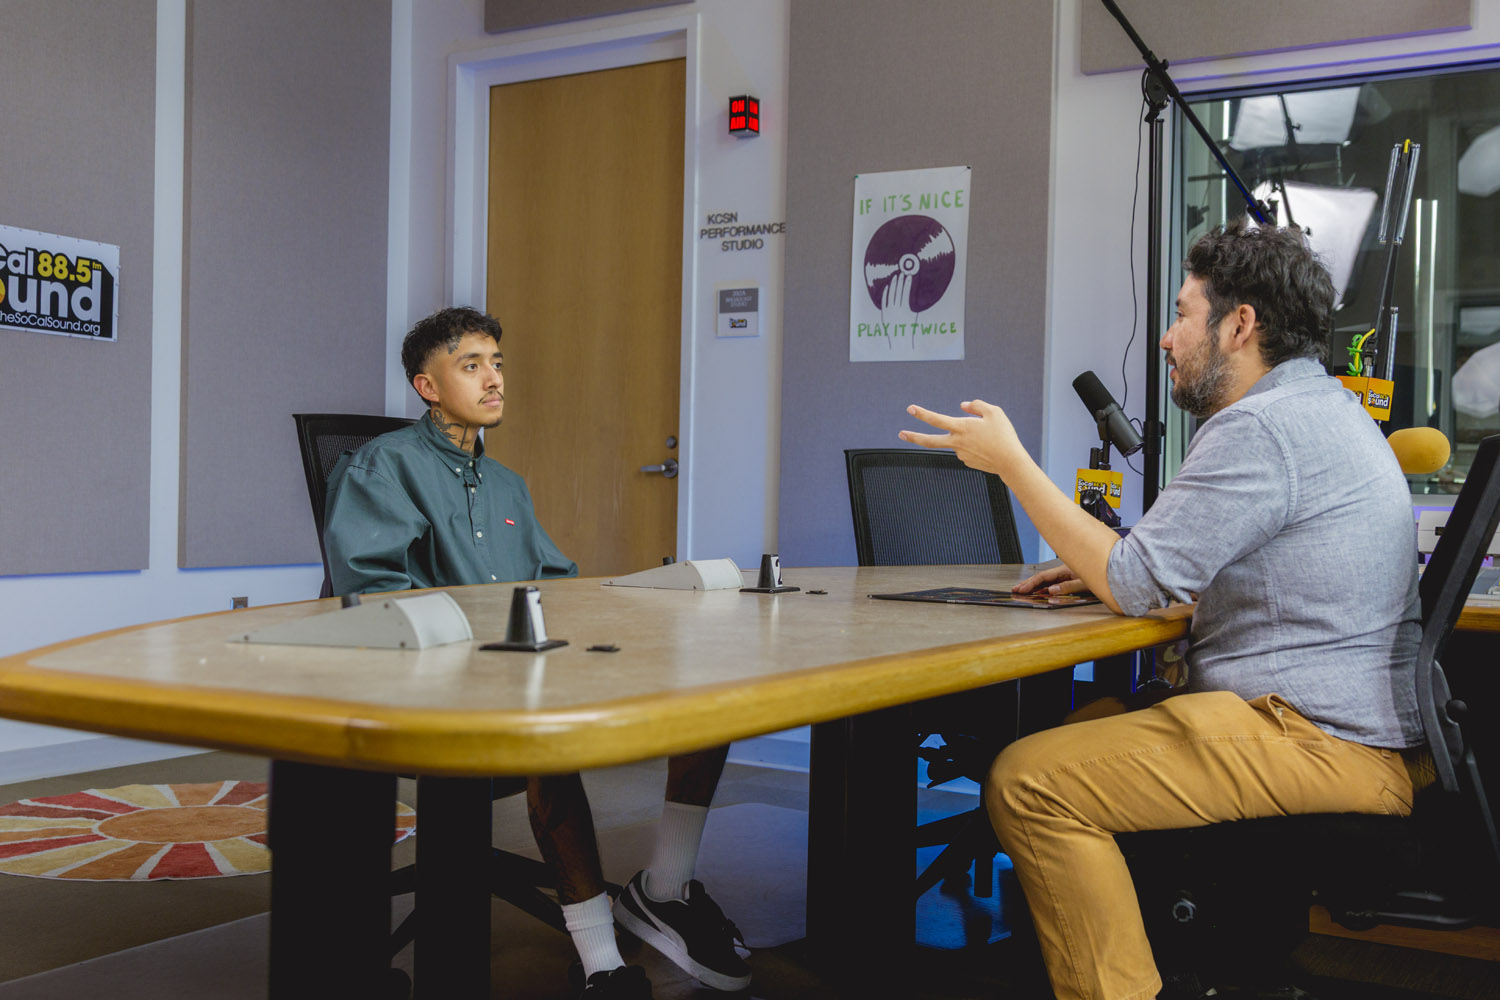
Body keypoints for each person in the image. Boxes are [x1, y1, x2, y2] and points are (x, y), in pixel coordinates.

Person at [899, 223, 1424, 1000]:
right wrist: (1109, 569)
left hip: (1319, 742)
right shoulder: (1323, 409)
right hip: (1342, 730)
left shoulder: (1262, 426)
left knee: (1027, 782)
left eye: (1182, 314)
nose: (1167, 339)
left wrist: (1012, 464)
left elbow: (1136, 582)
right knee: (1078, 729)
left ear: (1239, 324)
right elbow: (1204, 569)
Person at [324, 307, 750, 1000]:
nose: (494, 379)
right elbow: (376, 599)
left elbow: (557, 586)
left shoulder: (507, 484)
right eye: (471, 366)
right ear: (427, 387)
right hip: (427, 686)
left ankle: (665, 889)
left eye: (497, 363)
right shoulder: (381, 467)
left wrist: (635, 607)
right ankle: (602, 962)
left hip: (519, 665)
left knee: (711, 692)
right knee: (546, 726)